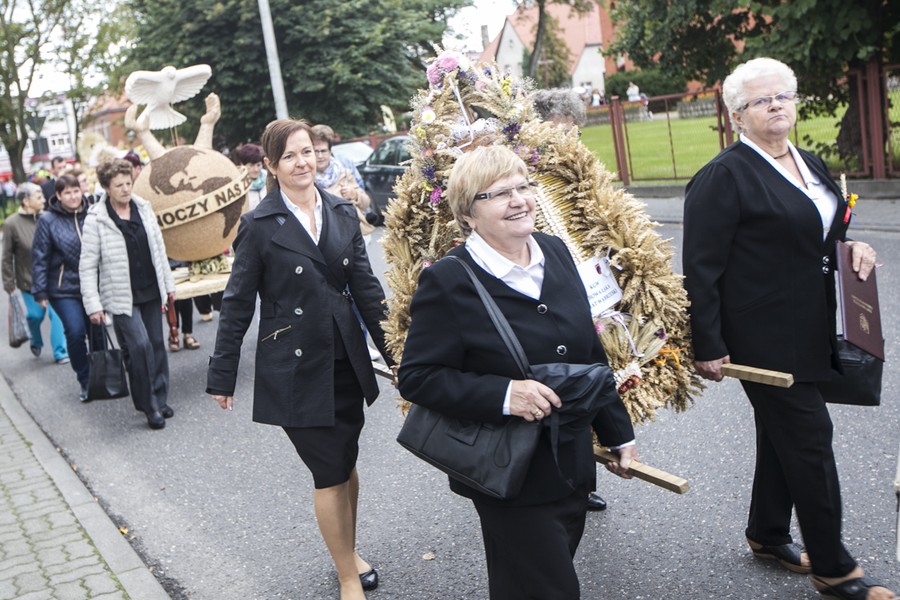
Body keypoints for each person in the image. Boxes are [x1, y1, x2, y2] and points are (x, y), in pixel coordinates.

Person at [682, 57, 896, 600]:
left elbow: (828, 230)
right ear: (736, 114)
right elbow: (701, 269)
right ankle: (834, 567)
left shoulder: (811, 162)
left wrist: (856, 247)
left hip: (816, 325)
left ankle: (768, 533)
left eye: (784, 95)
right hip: (763, 340)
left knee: (783, 440)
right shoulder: (721, 178)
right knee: (809, 441)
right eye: (761, 100)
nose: (777, 105)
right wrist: (707, 345)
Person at [398, 145, 637, 600]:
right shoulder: (449, 280)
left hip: (571, 462)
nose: (519, 199)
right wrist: (507, 394)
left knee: (523, 586)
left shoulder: (555, 250)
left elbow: (588, 352)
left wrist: (618, 433)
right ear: (468, 214)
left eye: (523, 186)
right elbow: (418, 376)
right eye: (499, 193)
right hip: (509, 472)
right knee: (551, 589)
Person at [206, 119, 394, 600]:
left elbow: (368, 292)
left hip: (345, 358)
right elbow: (237, 302)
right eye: (289, 156)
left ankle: (348, 551)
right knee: (329, 468)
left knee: (347, 460)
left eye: (307, 151)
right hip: (294, 366)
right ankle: (347, 576)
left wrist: (398, 355)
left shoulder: (341, 211)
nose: (302, 162)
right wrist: (222, 373)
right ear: (270, 166)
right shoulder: (259, 225)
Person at [531, 89, 608, 513]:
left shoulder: (579, 168)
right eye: (562, 130)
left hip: (586, 278)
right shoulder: (526, 171)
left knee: (593, 370)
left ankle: (584, 478)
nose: (570, 138)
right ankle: (562, 475)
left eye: (575, 131)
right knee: (565, 376)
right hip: (546, 286)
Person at [80, 158, 176, 430]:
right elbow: (87, 266)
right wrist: (93, 305)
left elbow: (159, 250)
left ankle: (160, 396)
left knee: (157, 345)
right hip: (121, 295)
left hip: (150, 289)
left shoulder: (143, 208)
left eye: (128, 183)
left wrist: (169, 286)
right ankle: (149, 406)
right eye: (118, 185)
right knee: (140, 346)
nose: (125, 189)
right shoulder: (96, 219)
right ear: (107, 188)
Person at [32, 174, 104, 401]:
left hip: (92, 285)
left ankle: (103, 378)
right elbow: (40, 256)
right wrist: (40, 290)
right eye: (67, 193)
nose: (73, 196)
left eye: (76, 191)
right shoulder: (47, 220)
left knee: (98, 332)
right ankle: (85, 380)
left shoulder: (93, 213)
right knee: (75, 332)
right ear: (59, 196)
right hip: (63, 288)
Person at [1, 182, 69, 363]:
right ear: (25, 200)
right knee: (35, 315)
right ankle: (36, 339)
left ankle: (60, 352)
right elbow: (6, 256)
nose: (44, 200)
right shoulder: (11, 224)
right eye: (38, 197)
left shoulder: (48, 217)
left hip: (53, 278)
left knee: (57, 315)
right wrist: (8, 283)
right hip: (28, 281)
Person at [310, 124, 374, 241]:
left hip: (352, 233)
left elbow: (366, 203)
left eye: (323, 151)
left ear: (330, 152)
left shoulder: (344, 173)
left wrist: (354, 195)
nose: (320, 156)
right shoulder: (307, 180)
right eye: (316, 151)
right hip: (325, 237)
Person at [233, 143, 267, 211]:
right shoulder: (237, 183)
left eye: (258, 165)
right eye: (251, 165)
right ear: (242, 164)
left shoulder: (268, 177)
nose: (256, 170)